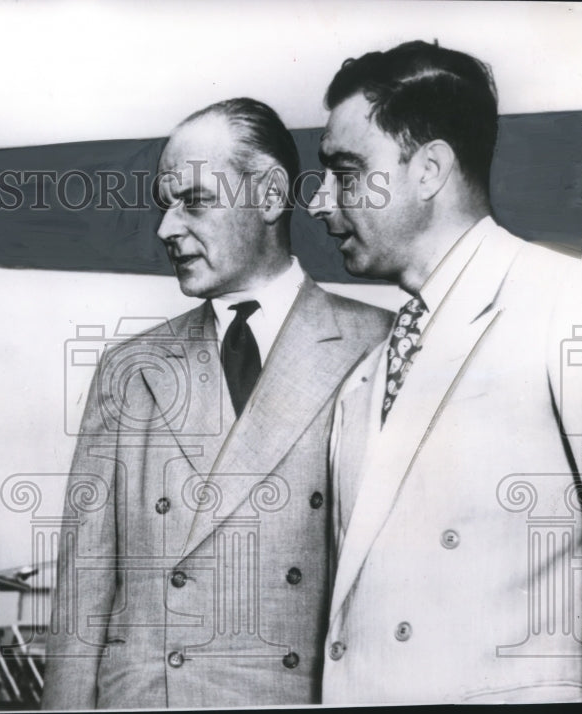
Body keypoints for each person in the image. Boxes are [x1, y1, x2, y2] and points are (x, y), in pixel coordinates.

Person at [311, 41, 582, 703]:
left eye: (345, 174)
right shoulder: (363, 381)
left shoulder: (575, 305)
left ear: (429, 169)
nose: (320, 203)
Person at [42, 98, 391, 709]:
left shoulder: (379, 345)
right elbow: (82, 591)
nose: (166, 229)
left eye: (195, 201)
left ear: (269, 195)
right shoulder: (129, 369)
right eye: (165, 205)